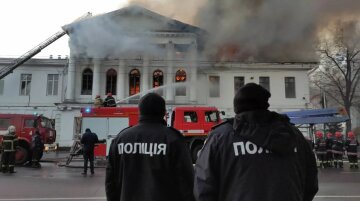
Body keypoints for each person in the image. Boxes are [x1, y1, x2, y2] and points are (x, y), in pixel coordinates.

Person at [194, 83, 318, 201]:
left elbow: (204, 188)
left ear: (237, 107)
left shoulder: (220, 138)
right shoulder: (293, 135)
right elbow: (310, 183)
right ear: (265, 104)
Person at [106, 93, 195, 201]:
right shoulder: (173, 139)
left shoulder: (121, 139)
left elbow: (111, 182)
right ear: (163, 113)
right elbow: (186, 182)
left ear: (140, 111)